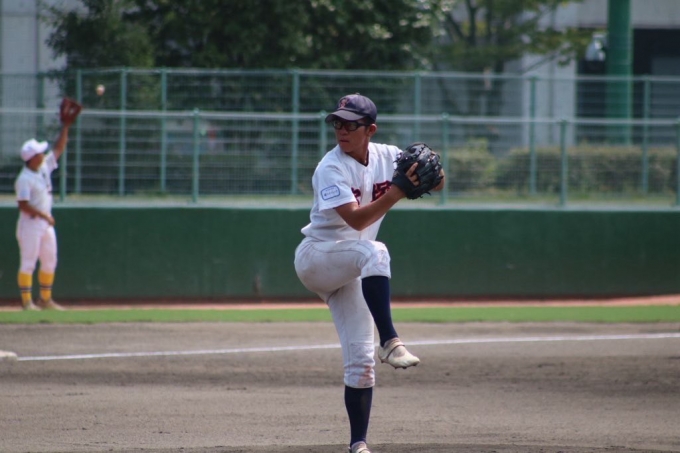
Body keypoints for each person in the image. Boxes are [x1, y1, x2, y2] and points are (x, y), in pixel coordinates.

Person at [294, 93, 445, 453]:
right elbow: (357, 220)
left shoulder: (387, 156)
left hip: (354, 269)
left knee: (361, 363)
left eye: (351, 124)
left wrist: (432, 170)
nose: (342, 130)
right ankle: (390, 341)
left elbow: (438, 183)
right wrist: (397, 191)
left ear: (370, 130)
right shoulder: (330, 167)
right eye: (337, 123)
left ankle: (358, 444)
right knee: (375, 250)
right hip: (318, 258)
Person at [14, 114, 75, 311]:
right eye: (40, 153)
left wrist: (65, 126)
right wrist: (43, 215)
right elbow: (23, 204)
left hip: (45, 224)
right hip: (30, 223)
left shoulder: (43, 168)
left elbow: (58, 149)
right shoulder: (24, 179)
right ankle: (27, 302)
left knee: (50, 261)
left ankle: (45, 300)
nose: (43, 154)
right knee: (28, 263)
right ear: (32, 158)